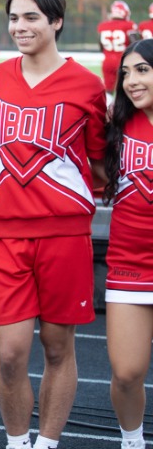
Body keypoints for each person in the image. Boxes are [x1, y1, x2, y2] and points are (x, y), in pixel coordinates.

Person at [0, 0, 107, 449]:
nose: (20, 26)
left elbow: (99, 162)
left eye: (31, 17)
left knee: (58, 349)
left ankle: (47, 442)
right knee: (10, 355)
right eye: (14, 17)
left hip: (65, 235)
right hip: (6, 234)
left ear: (56, 21)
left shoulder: (87, 85)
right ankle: (17, 442)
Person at [103, 38, 153, 449]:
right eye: (126, 73)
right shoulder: (116, 126)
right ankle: (132, 441)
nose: (131, 81)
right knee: (125, 373)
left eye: (142, 70)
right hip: (129, 263)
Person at [97, 0, 138, 98]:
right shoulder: (129, 25)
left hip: (107, 60)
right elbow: (135, 45)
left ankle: (108, 106)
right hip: (123, 61)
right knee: (126, 89)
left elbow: (101, 45)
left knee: (108, 91)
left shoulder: (103, 26)